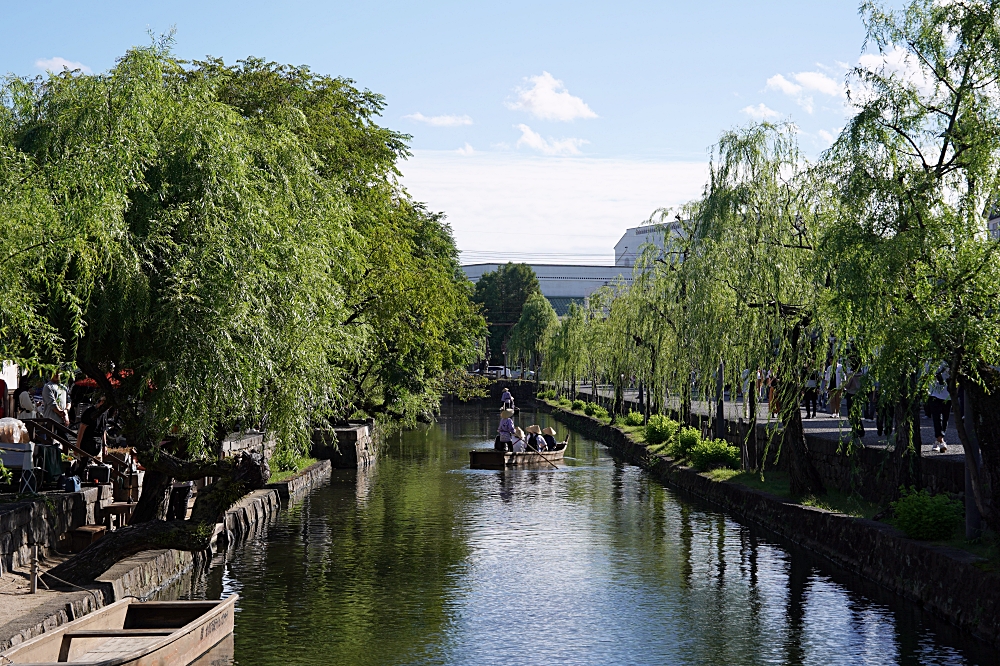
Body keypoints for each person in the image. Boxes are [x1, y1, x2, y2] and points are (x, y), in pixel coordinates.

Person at [928, 364, 951, 452]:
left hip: (948, 394)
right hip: (934, 393)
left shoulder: (949, 360)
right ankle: (941, 440)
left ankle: (939, 441)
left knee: (945, 418)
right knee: (936, 417)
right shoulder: (930, 360)